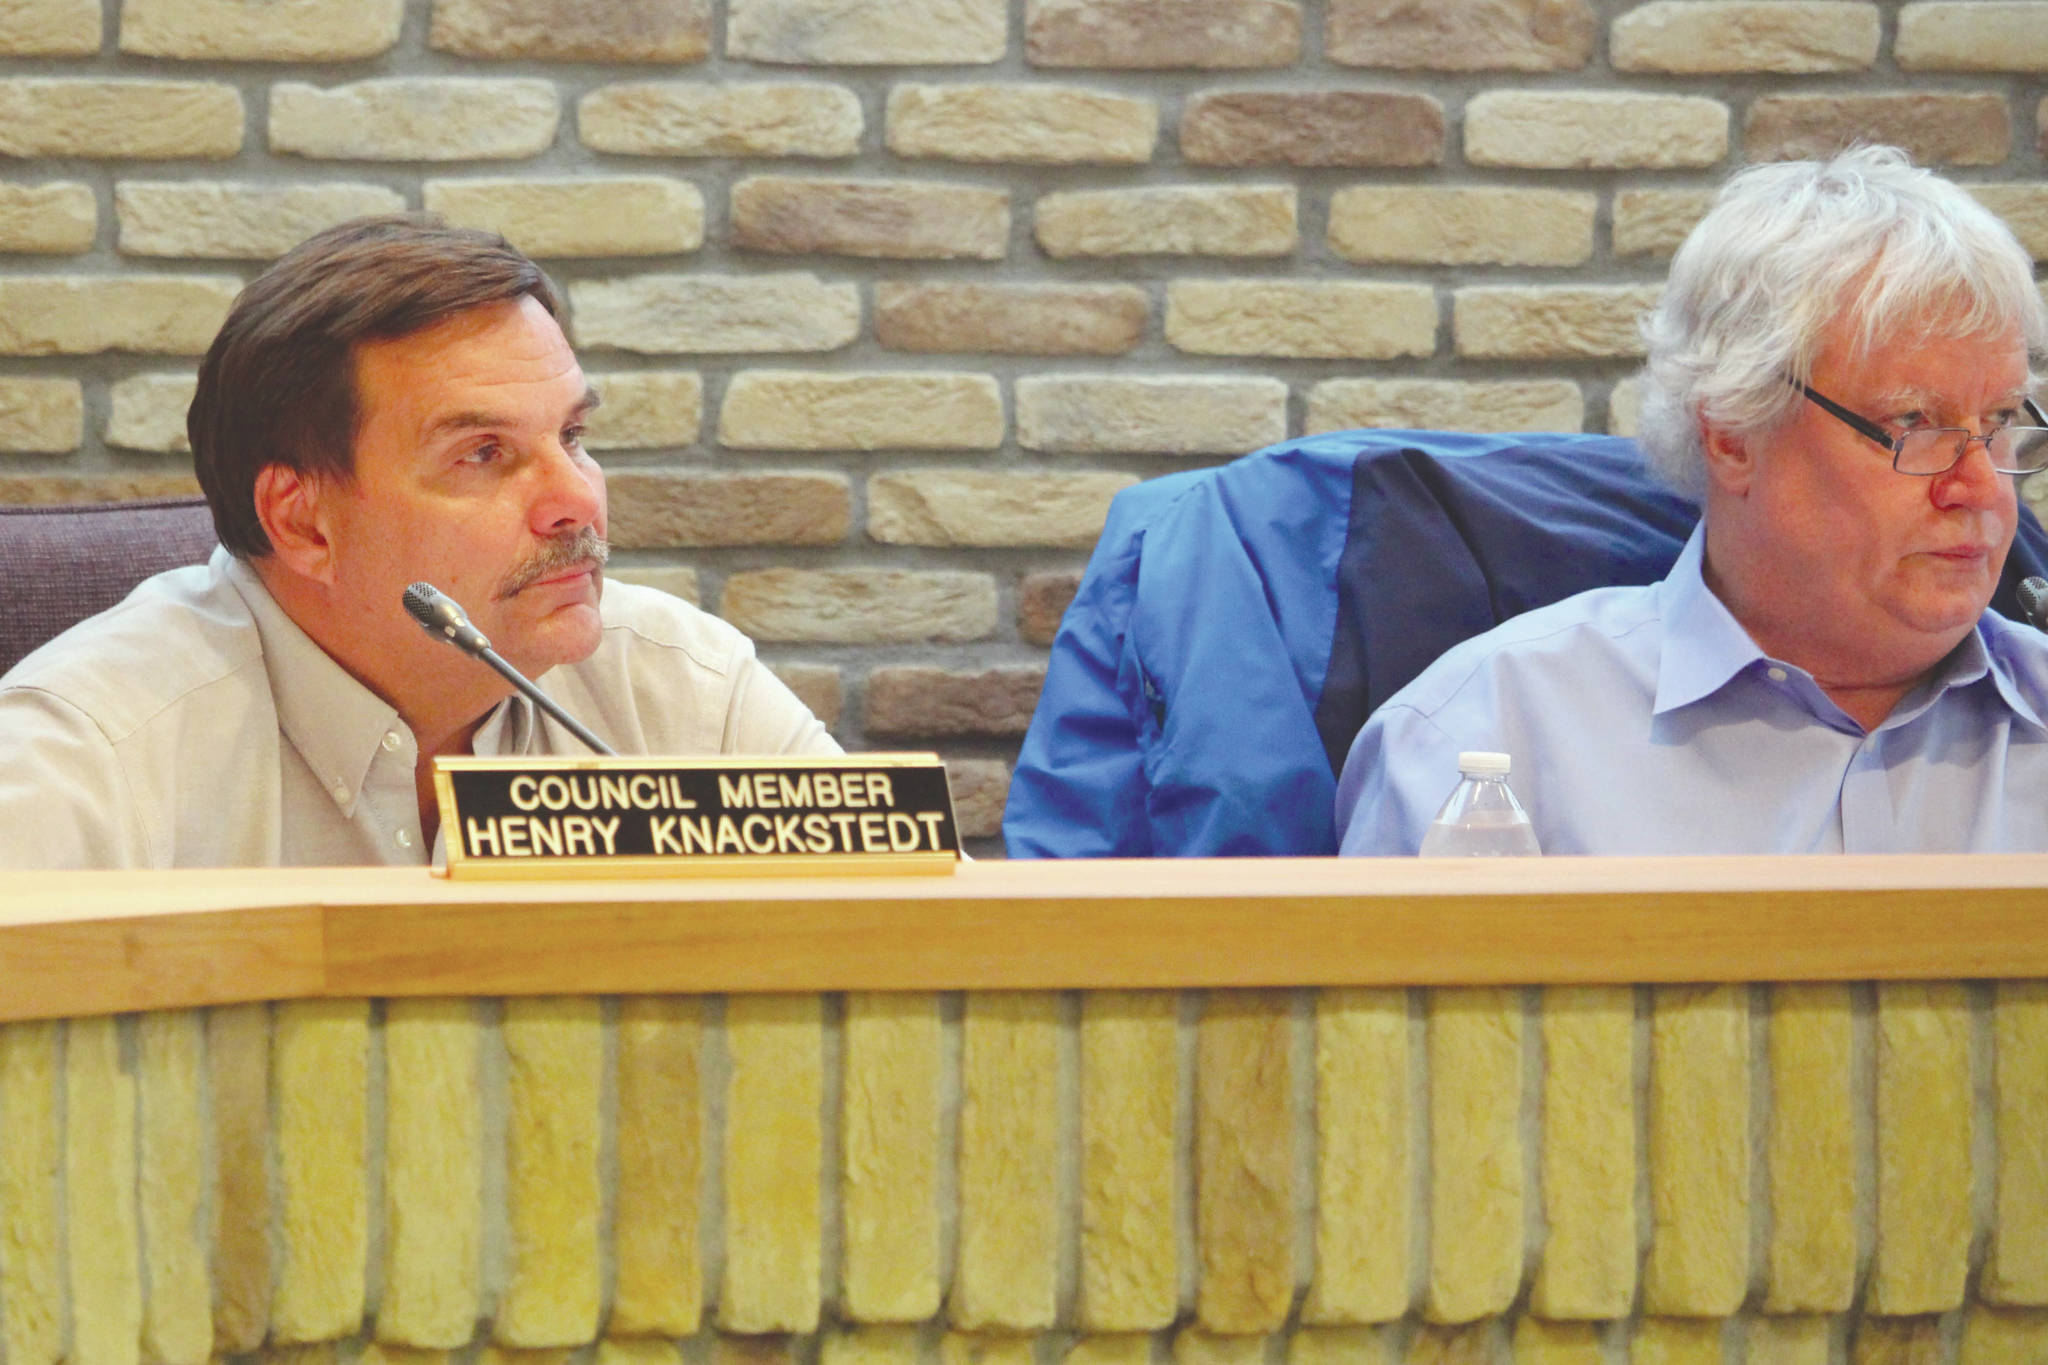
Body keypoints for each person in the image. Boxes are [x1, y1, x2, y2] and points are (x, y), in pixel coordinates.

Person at [0, 216, 835, 868]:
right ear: (302, 521)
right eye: (484, 454)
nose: (577, 499)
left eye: (573, 434)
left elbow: (903, 950)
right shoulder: (82, 763)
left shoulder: (686, 693)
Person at [1338, 146, 2048, 855]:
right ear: (1734, 435)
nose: (1981, 488)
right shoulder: (1489, 735)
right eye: (1912, 424)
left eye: (1999, 423)